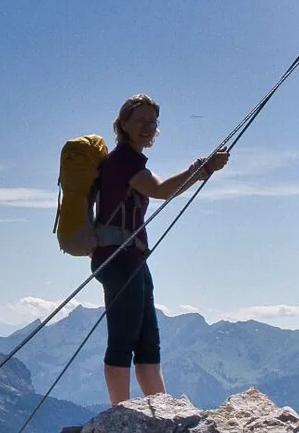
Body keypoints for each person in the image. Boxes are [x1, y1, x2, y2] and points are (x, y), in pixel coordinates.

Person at [91, 94, 228, 406]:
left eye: (152, 121)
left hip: (131, 260)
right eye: (140, 120)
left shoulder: (128, 161)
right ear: (122, 124)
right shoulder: (122, 162)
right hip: (120, 259)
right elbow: (163, 190)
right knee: (125, 340)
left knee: (146, 341)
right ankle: (120, 416)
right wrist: (203, 169)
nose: (147, 127)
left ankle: (162, 411)